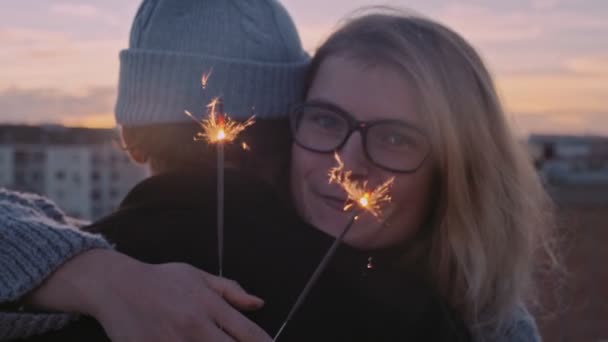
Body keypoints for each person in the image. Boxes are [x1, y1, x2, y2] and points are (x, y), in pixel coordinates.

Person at [2, 7, 559, 342]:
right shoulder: (85, 285)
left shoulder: (473, 325)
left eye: (396, 137)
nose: (347, 163)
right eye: (326, 120)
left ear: (460, 172)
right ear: (283, 129)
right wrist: (97, 277)